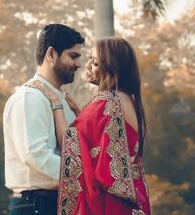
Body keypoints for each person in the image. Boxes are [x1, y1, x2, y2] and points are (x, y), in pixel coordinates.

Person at [27, 37, 151, 215]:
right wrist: (80, 112)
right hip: (131, 199)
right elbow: (102, 140)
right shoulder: (128, 100)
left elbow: (69, 145)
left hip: (109, 202)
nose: (87, 65)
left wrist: (55, 103)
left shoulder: (106, 102)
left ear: (110, 67)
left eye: (94, 62)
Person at [3, 24, 86, 215]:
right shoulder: (30, 97)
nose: (78, 64)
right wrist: (84, 175)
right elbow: (36, 154)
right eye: (73, 56)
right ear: (51, 54)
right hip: (35, 206)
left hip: (56, 204)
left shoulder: (63, 101)